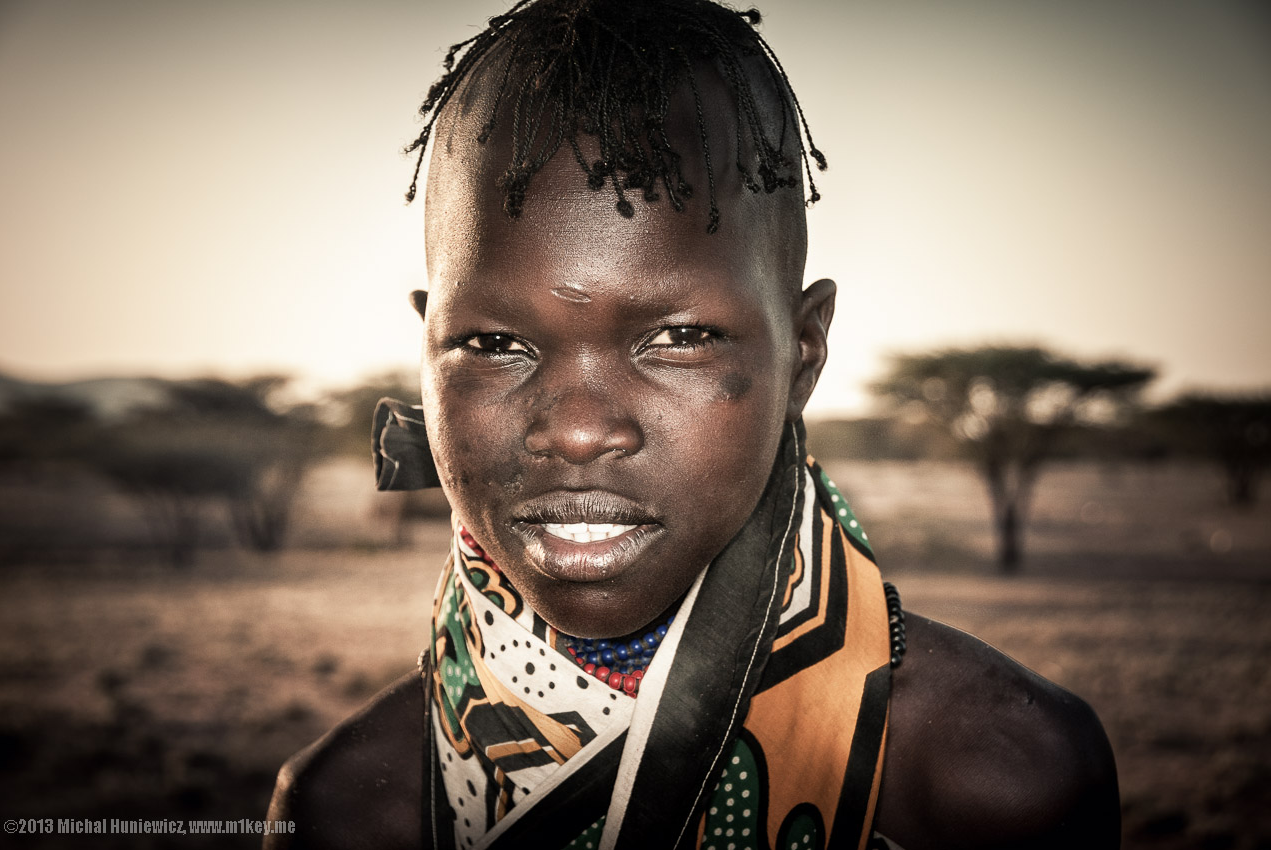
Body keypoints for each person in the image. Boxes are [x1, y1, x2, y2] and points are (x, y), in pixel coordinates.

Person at [265, 1, 1119, 847]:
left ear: (804, 353)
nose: (577, 431)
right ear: (426, 344)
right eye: (494, 342)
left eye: (680, 339)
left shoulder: (1000, 784)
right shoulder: (342, 813)